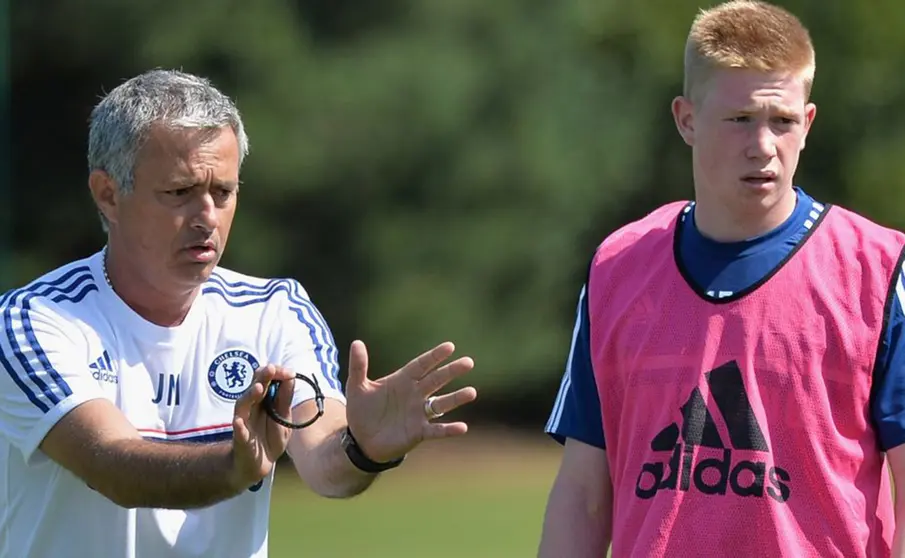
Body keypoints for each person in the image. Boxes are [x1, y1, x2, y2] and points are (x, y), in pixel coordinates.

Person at [0, 69, 478, 558]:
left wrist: (365, 448)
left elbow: (324, 463)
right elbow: (114, 467)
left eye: (223, 192)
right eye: (180, 192)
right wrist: (233, 466)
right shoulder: (33, 320)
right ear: (108, 195)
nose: (207, 215)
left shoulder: (274, 311)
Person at [538, 1, 905, 556]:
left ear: (806, 124)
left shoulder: (877, 270)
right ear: (686, 119)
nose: (763, 145)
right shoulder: (618, 267)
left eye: (781, 121)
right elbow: (585, 493)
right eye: (740, 119)